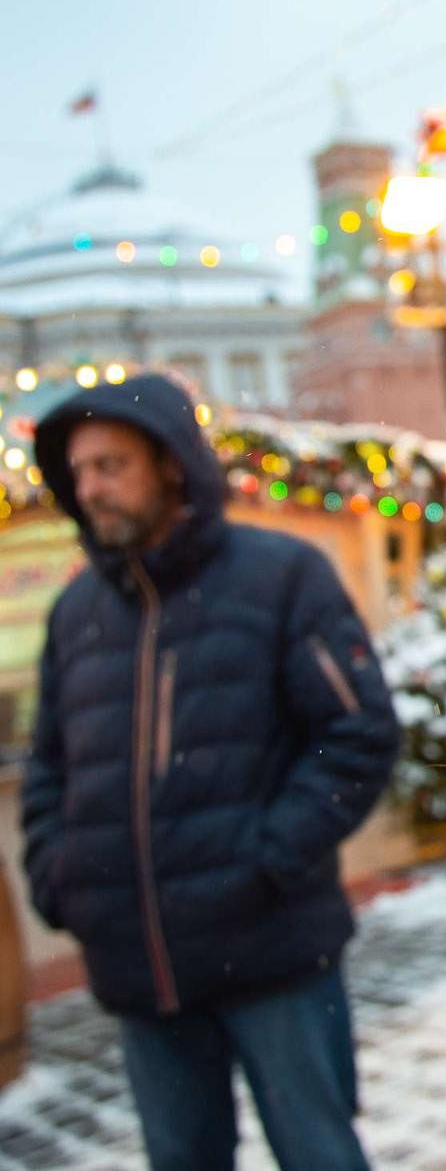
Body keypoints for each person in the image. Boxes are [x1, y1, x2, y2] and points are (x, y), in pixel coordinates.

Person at [22, 374, 399, 1171]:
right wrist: (61, 878)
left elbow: (356, 734)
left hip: (273, 952)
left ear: (169, 464)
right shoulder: (76, 612)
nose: (90, 488)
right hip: (136, 967)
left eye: (110, 465)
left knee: (320, 1153)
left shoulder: (280, 576)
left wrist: (264, 859)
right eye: (79, 472)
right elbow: (48, 767)